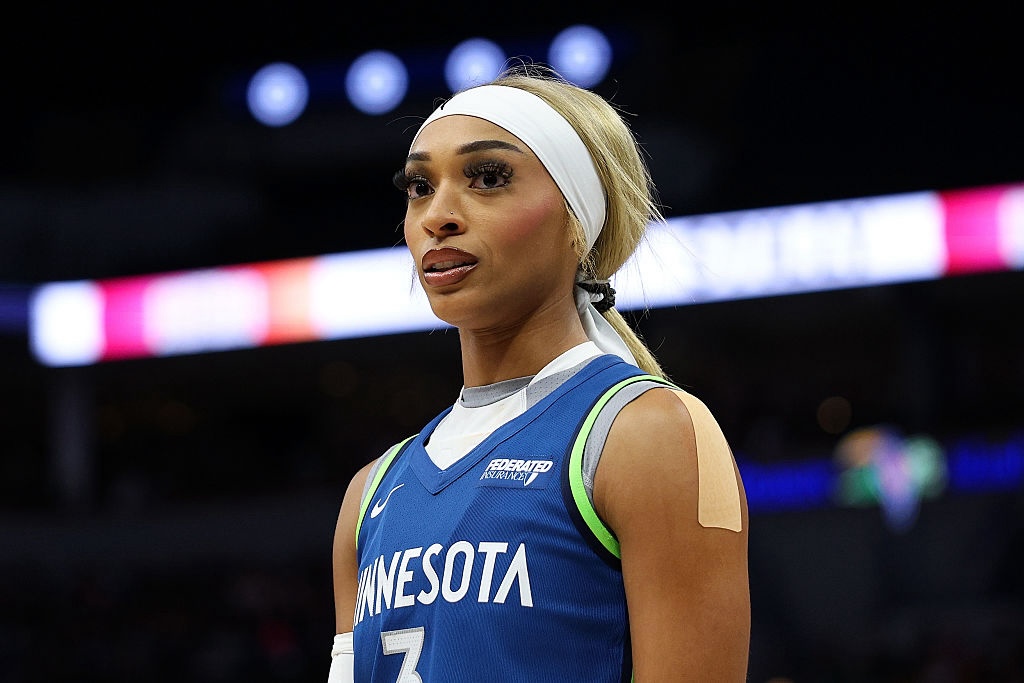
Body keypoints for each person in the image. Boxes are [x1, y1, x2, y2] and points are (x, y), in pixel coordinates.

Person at [328, 64, 750, 682]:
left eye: (488, 177)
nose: (437, 215)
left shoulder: (649, 434)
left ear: (578, 218)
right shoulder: (370, 493)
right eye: (419, 186)